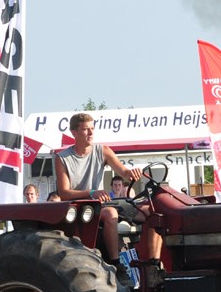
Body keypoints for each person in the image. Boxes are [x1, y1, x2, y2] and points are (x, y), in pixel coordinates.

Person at [55, 112, 162, 268]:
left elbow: (124, 172)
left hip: (102, 202)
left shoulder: (103, 150)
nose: (91, 133)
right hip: (80, 206)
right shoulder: (62, 158)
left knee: (154, 211)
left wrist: (132, 173)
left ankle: (153, 264)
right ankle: (115, 264)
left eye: (92, 128)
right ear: (74, 133)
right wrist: (92, 192)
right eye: (85, 129)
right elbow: (64, 193)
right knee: (111, 213)